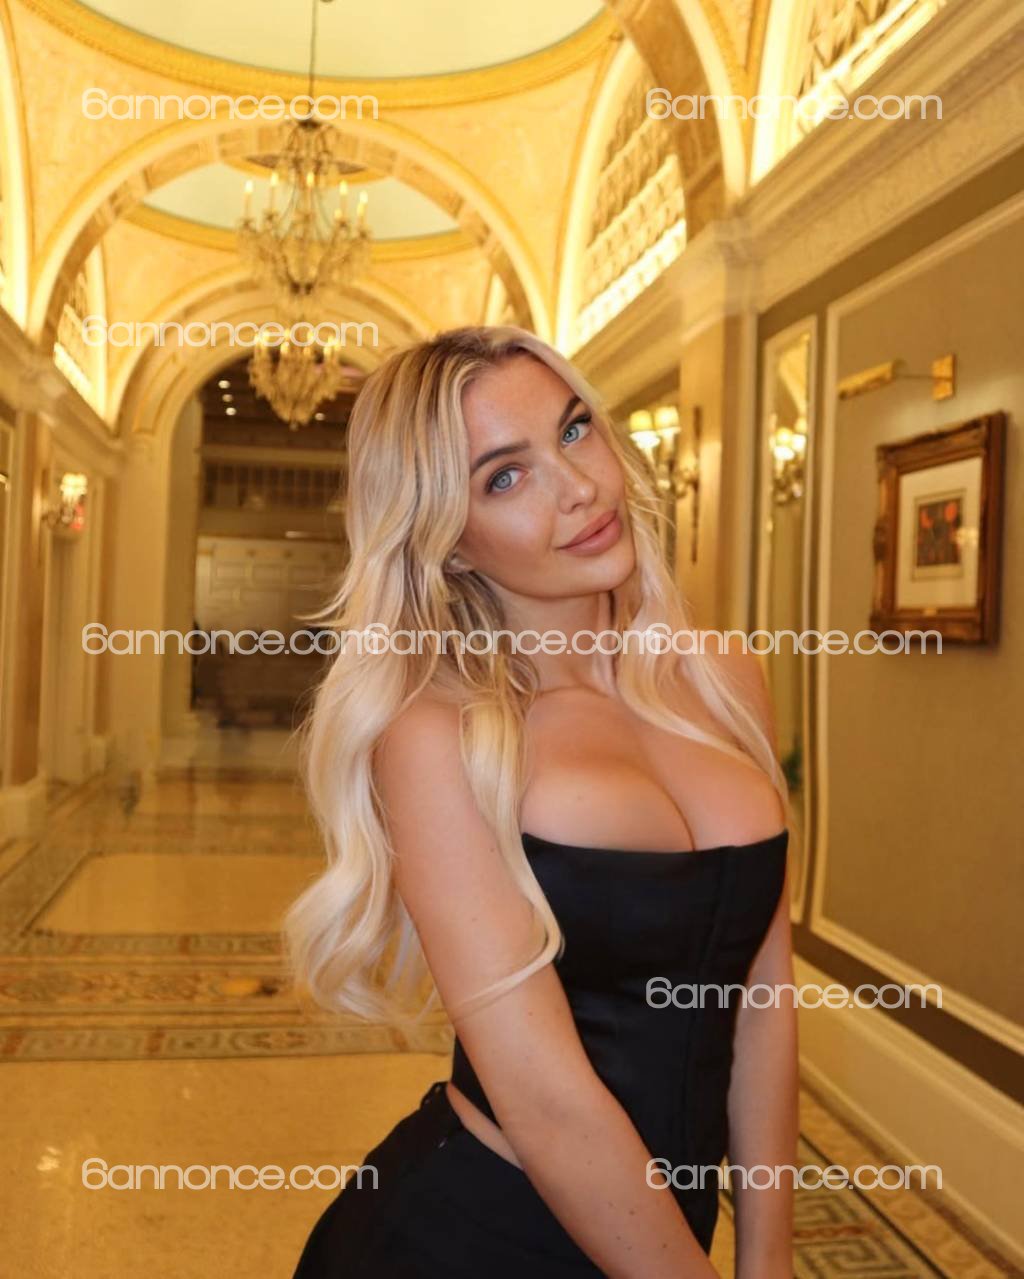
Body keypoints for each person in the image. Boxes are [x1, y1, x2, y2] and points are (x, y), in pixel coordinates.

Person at [284, 326, 797, 1277]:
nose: (579, 488)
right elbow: (546, 1101)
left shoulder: (725, 676)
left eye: (572, 430)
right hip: (478, 1235)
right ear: (448, 541)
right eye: (505, 477)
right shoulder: (439, 732)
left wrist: (769, 1256)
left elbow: (761, 996)